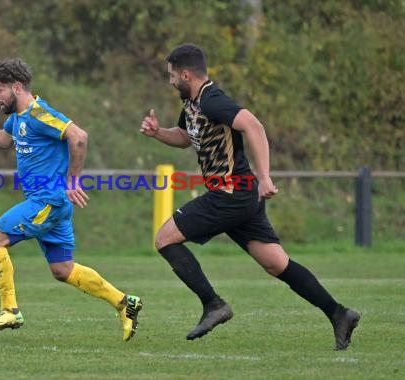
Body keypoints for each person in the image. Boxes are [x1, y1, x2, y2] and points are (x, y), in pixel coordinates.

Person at [140, 43, 360, 350]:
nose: (170, 81)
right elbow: (184, 138)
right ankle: (339, 314)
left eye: (172, 76)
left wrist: (265, 176)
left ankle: (213, 304)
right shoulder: (193, 104)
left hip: (231, 193)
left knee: (164, 238)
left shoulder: (213, 99)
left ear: (186, 74)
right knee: (276, 264)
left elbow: (253, 126)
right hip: (239, 196)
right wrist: (157, 132)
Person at [0, 58, 142, 341]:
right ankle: (125, 304)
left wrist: (73, 180)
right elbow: (4, 138)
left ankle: (9, 309)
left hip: (47, 200)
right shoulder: (18, 119)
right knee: (62, 269)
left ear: (17, 87)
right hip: (52, 204)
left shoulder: (39, 114)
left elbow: (79, 137)